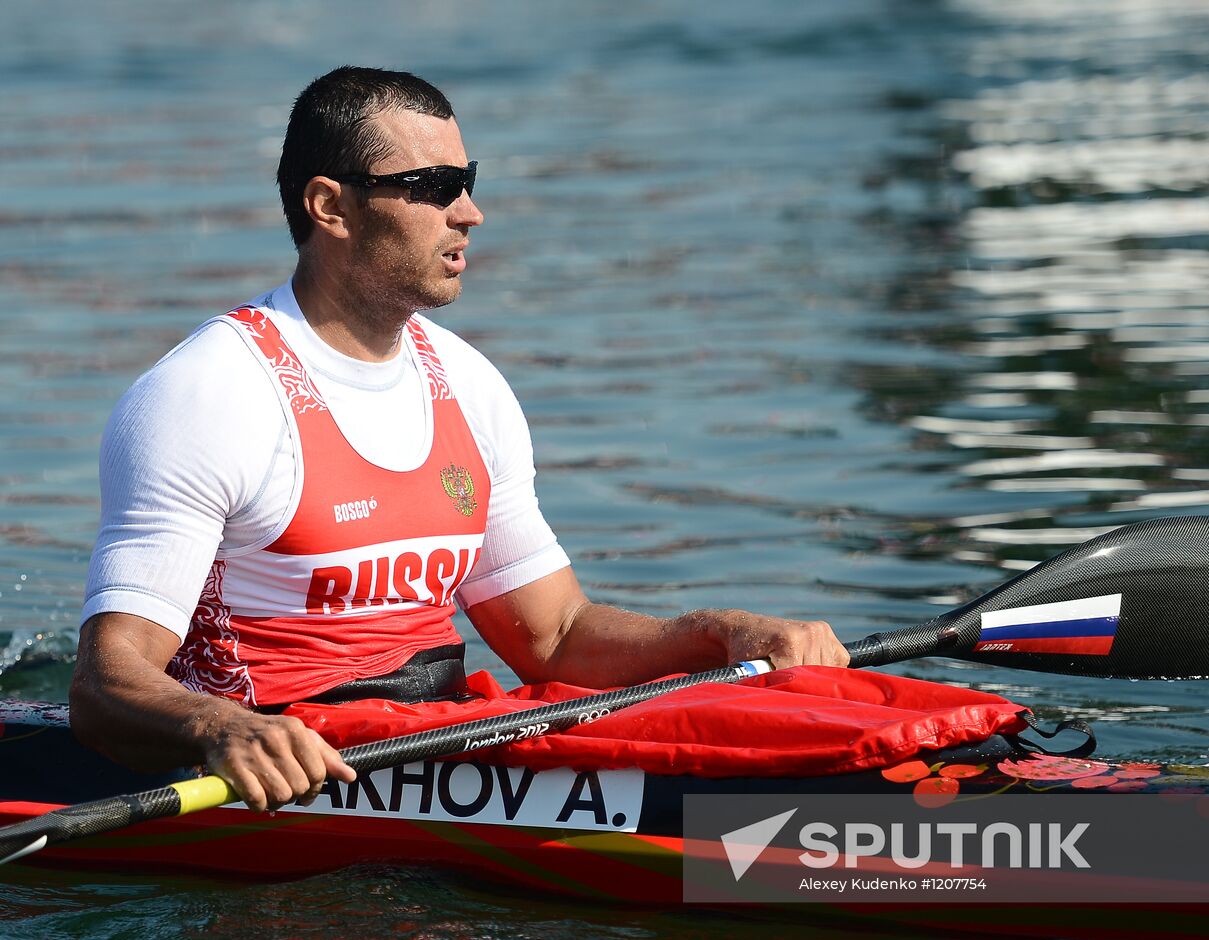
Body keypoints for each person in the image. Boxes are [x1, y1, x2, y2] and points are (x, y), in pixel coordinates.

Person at [69, 66, 847, 815]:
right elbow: (106, 683)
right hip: (281, 763)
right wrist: (219, 728)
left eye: (466, 181)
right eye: (433, 187)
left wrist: (721, 635)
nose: (469, 213)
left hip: (433, 739)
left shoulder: (469, 384)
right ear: (330, 206)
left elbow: (554, 637)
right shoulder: (209, 395)